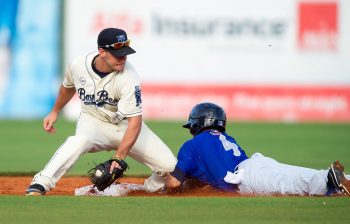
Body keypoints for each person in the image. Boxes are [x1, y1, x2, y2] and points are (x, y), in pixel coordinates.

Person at [26, 28, 177, 195]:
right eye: (118, 54)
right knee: (78, 141)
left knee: (169, 166)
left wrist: (119, 157)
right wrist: (54, 111)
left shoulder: (129, 76)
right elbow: (67, 87)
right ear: (102, 51)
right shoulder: (78, 65)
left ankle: (145, 189)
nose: (123, 58)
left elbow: (135, 122)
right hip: (93, 121)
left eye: (125, 54)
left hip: (124, 125)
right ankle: (40, 183)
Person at [163, 102, 350, 196]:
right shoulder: (224, 138)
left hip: (247, 177)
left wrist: (162, 190)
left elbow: (173, 183)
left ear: (198, 123)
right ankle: (339, 179)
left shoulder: (191, 146)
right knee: (292, 173)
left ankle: (329, 179)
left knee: (287, 185)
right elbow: (205, 176)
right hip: (255, 164)